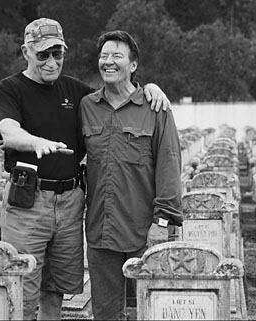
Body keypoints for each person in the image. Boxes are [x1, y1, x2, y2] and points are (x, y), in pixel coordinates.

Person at [0, 18, 170, 320]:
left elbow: (119, 95)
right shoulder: (11, 88)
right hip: (28, 202)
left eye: (57, 54)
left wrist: (150, 88)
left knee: (54, 290)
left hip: (70, 204)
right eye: (43, 54)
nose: (52, 62)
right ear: (26, 52)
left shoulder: (77, 93)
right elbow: (8, 131)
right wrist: (34, 142)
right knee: (21, 290)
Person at [79, 30, 183, 320]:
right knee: (105, 313)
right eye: (103, 56)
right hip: (101, 231)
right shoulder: (86, 106)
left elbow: (169, 166)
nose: (108, 62)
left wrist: (162, 222)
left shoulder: (155, 108)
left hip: (144, 232)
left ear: (133, 65)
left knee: (152, 309)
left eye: (117, 56)